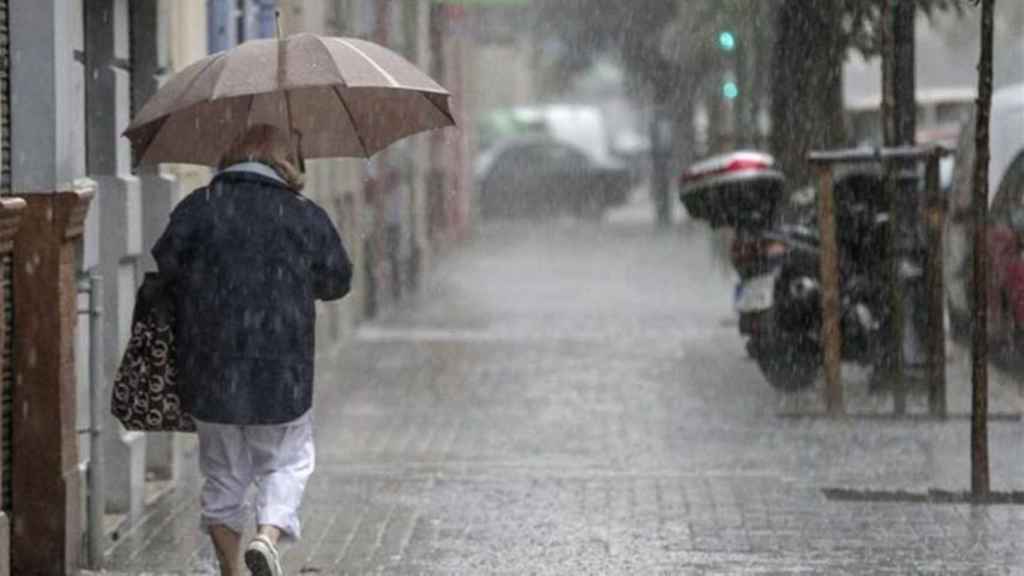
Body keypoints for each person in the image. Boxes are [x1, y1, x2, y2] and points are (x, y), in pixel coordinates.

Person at [152, 124, 352, 576]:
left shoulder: (198, 208)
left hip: (210, 365)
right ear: (285, 160)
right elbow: (337, 280)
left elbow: (166, 268)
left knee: (223, 473)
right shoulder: (303, 214)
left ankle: (231, 571)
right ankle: (267, 536)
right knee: (287, 461)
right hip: (280, 368)